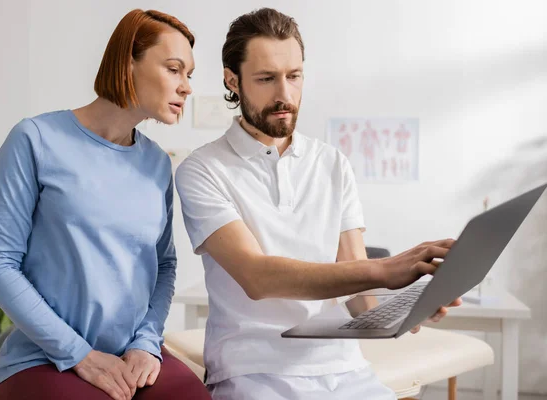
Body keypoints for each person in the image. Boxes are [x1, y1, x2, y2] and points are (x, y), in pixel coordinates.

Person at [175, 8, 460, 400]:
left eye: (294, 76)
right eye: (266, 79)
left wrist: (406, 311)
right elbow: (258, 278)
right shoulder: (202, 169)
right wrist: (386, 268)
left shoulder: (332, 163)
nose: (285, 95)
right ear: (232, 80)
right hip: (253, 372)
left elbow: (359, 293)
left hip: (343, 367)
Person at [0, 9, 210, 400]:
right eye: (174, 69)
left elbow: (164, 263)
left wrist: (146, 342)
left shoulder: (156, 162)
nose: (186, 86)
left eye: (189, 75)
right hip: (43, 357)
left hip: (132, 354)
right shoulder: (34, 139)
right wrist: (79, 354)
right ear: (127, 62)